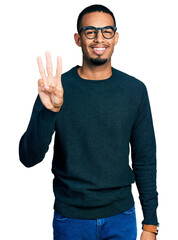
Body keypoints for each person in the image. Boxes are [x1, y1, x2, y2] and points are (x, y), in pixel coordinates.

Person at [19, 4, 159, 240]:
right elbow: (28, 157)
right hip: (71, 220)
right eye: (90, 31)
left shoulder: (134, 90)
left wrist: (150, 225)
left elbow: (145, 159)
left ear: (115, 38)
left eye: (106, 31)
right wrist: (50, 111)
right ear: (78, 38)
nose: (99, 38)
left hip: (121, 218)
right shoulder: (55, 88)